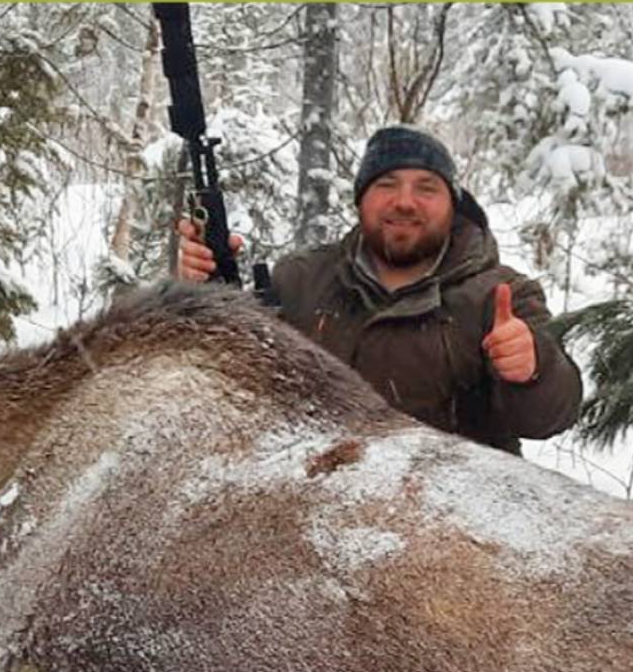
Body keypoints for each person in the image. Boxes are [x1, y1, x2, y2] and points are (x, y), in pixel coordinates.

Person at [177, 125, 582, 454]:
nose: (405, 202)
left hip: (453, 532)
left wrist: (533, 370)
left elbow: (551, 417)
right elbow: (234, 389)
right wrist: (200, 297)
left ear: (452, 204)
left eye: (426, 187)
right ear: (361, 199)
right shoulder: (299, 280)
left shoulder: (501, 296)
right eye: (387, 184)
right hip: (319, 515)